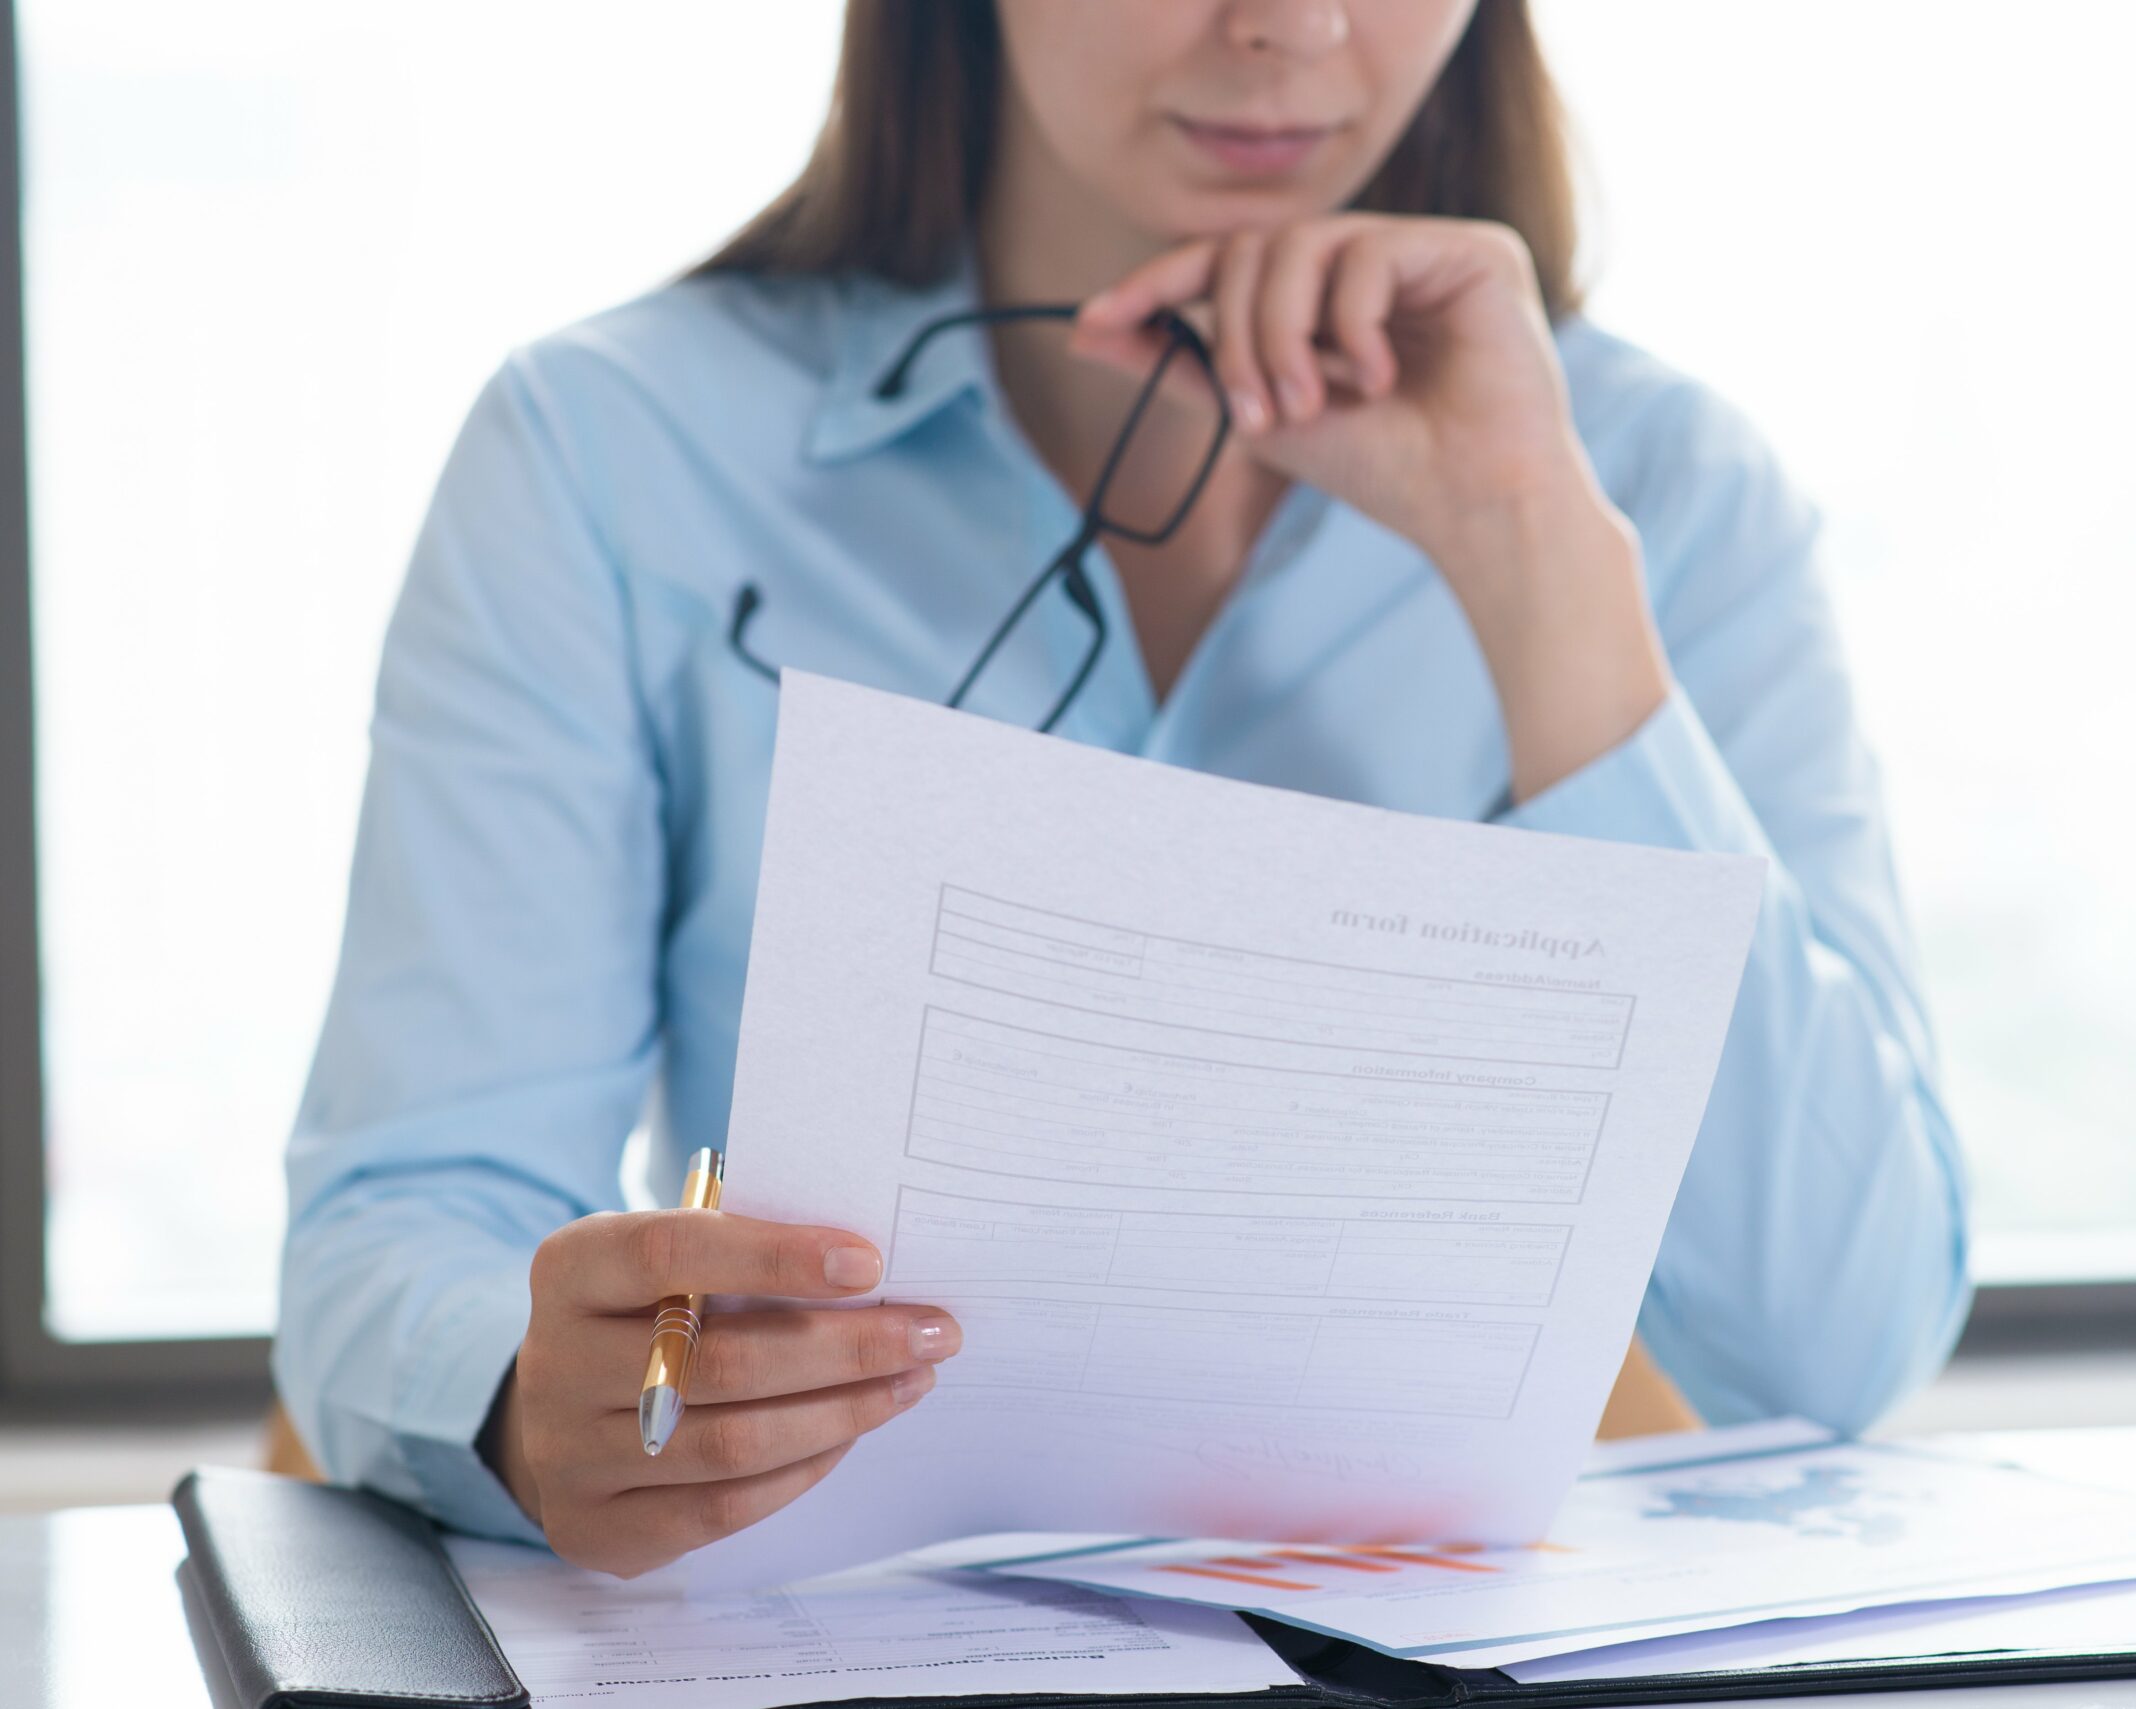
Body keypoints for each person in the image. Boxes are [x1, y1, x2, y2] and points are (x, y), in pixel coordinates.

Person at [277, 0, 1970, 1580]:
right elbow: (402, 1220)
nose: (1292, 28)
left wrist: (1542, 567)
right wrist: (522, 1392)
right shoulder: (610, 449)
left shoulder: (1666, 490)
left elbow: (1833, 1346)